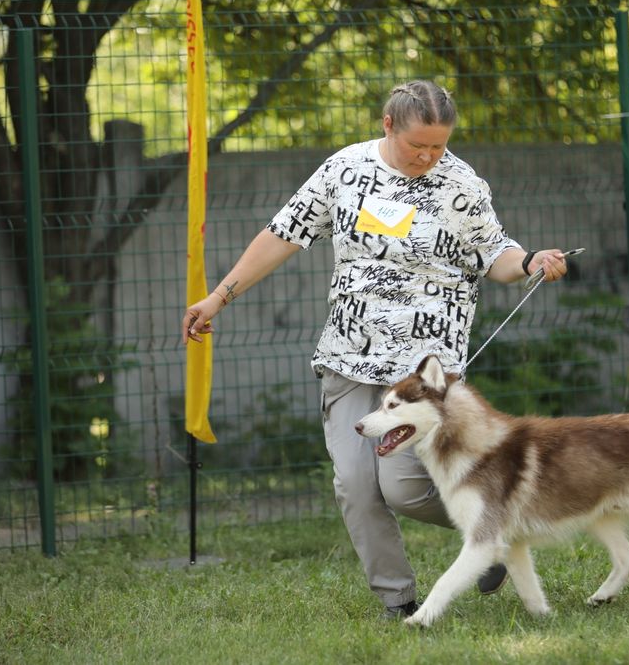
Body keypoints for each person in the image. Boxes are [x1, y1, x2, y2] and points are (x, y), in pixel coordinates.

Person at [182, 80, 568, 619]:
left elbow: (495, 253)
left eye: (439, 145)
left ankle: (490, 536)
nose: (429, 157)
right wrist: (219, 296)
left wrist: (528, 263)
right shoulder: (345, 169)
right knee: (357, 485)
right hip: (348, 356)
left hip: (422, 374)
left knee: (405, 489)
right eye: (418, 146)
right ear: (388, 125)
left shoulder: (460, 184)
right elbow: (283, 234)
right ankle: (397, 599)